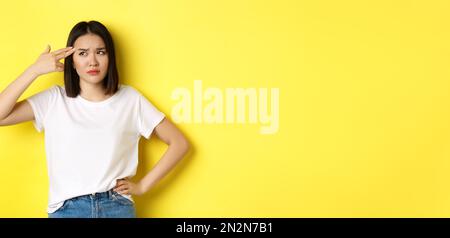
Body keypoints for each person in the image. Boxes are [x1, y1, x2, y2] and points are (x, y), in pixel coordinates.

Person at [0, 21, 190, 218]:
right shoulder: (54, 100)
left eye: (100, 52)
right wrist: (34, 70)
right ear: (72, 61)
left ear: (110, 57)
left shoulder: (130, 99)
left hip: (116, 207)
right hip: (67, 210)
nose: (93, 61)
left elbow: (179, 143)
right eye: (83, 53)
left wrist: (142, 186)